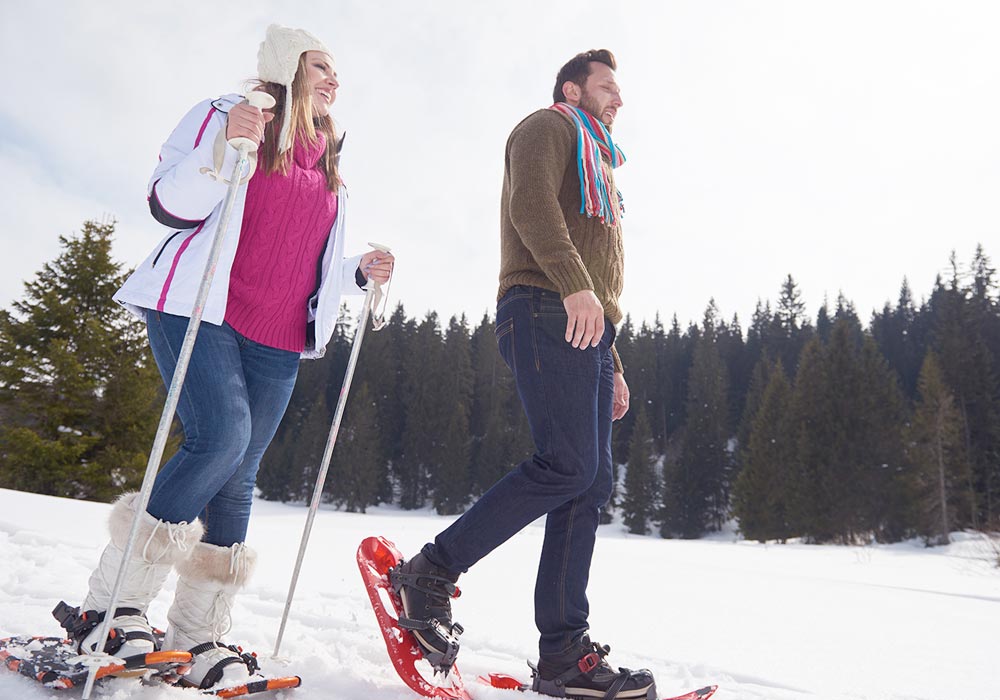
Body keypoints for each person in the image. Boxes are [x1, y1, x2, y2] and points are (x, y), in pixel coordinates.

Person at [52, 24, 394, 691]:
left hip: (277, 335)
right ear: (286, 68)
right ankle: (111, 608)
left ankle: (197, 634)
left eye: (335, 73)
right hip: (198, 307)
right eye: (321, 67)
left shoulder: (327, 164)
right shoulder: (227, 115)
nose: (333, 81)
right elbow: (167, 203)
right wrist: (229, 145)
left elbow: (303, 257)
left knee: (239, 475)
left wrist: (358, 272)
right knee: (221, 438)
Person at [390, 50, 655, 700]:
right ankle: (430, 571)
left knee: (588, 484)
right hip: (543, 303)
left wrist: (610, 359)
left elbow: (596, 270)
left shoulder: (597, 158)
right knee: (567, 464)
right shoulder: (548, 126)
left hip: (583, 322)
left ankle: (564, 655)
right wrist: (573, 290)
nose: (618, 99)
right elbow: (532, 207)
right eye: (607, 87)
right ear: (573, 88)